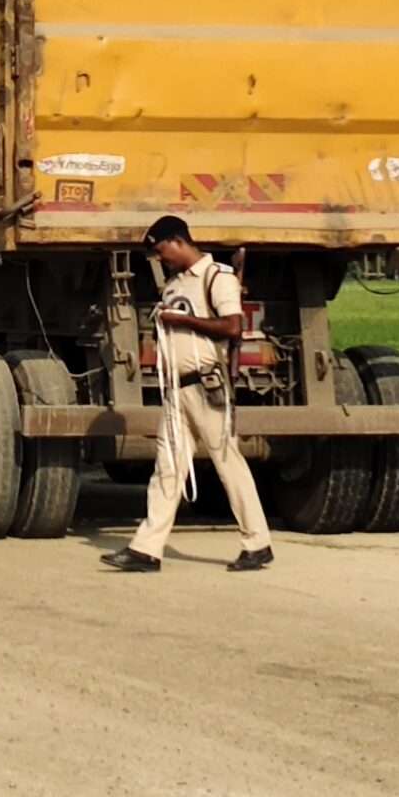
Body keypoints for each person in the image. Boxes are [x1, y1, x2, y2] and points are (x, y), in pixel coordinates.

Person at [101, 216, 276, 574]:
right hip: (175, 389)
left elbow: (232, 327)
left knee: (227, 463)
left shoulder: (217, 277)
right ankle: (146, 549)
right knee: (167, 468)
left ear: (177, 241)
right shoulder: (174, 285)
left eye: (161, 249)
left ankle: (257, 543)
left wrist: (181, 321)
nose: (160, 258)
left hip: (206, 385)